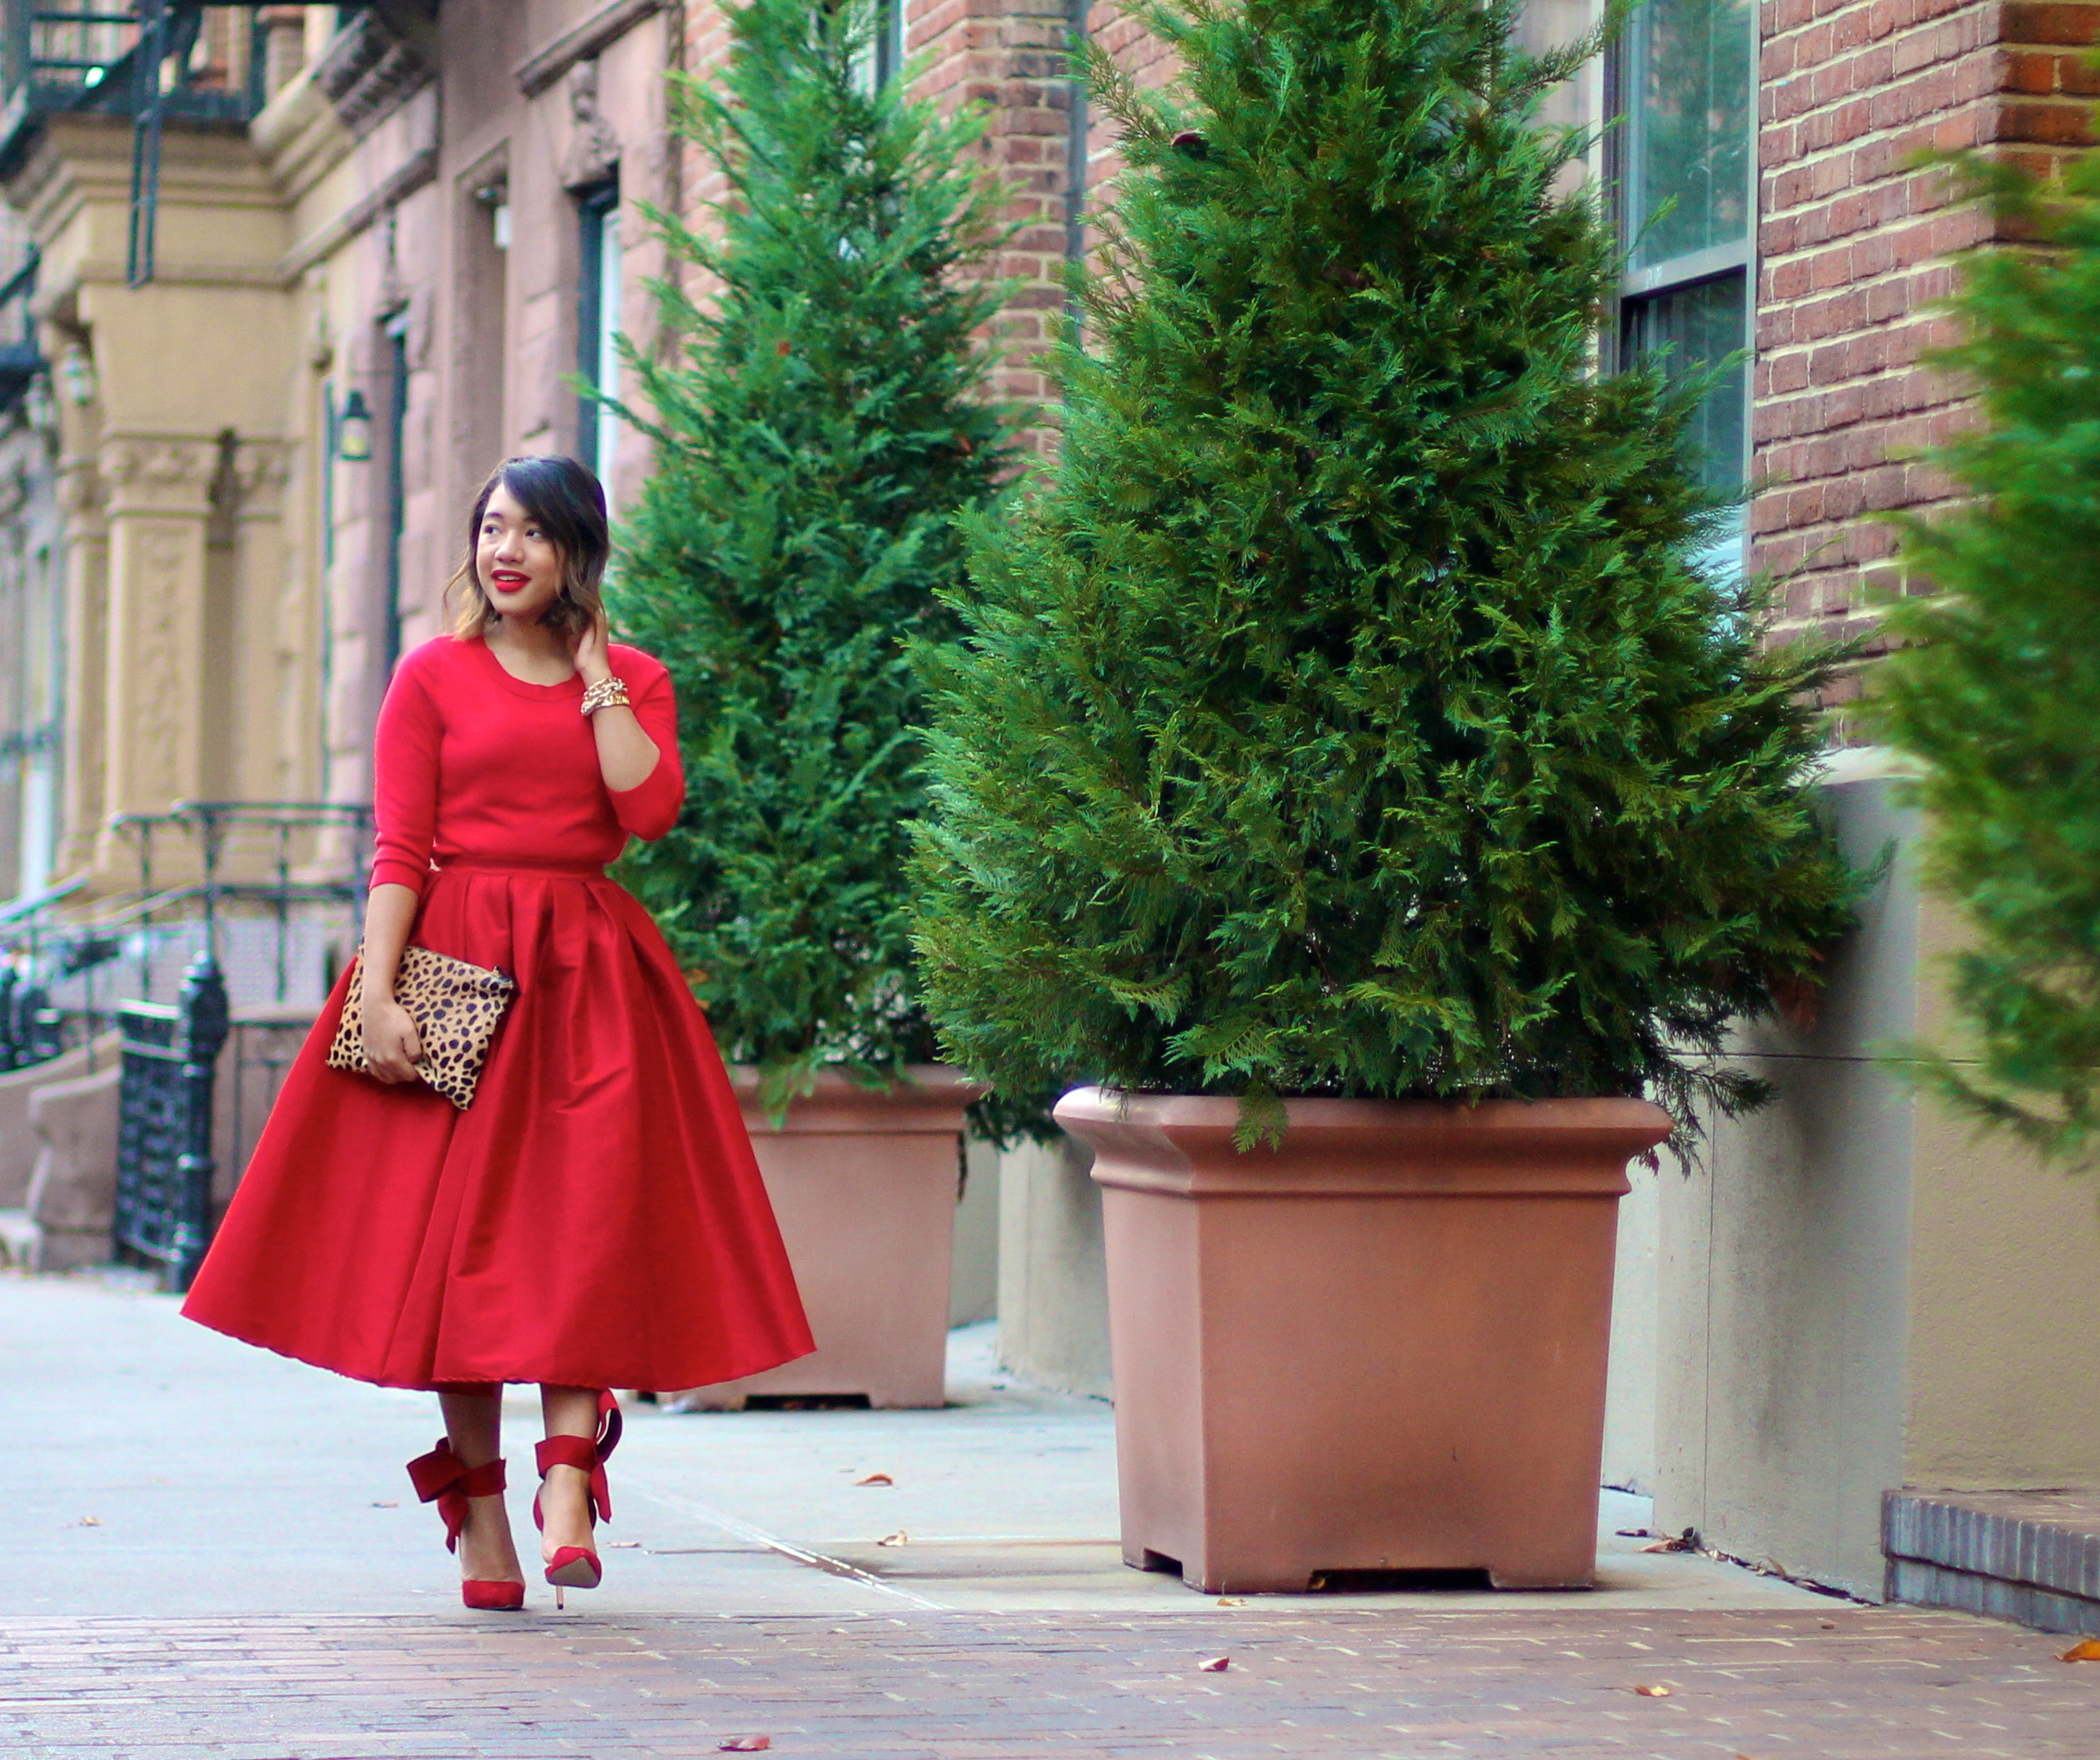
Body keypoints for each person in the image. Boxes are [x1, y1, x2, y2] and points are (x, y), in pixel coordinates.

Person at [184, 456, 813, 1610]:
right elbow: (398, 850)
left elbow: (648, 810)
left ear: (578, 550)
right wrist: (376, 993)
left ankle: (567, 1480)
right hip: (457, 956)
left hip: (588, 971)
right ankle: (481, 1507)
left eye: (529, 531)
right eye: (488, 528)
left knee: (585, 1230)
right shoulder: (432, 677)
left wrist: (597, 682)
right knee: (452, 1246)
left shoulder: (632, 678)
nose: (502, 550)